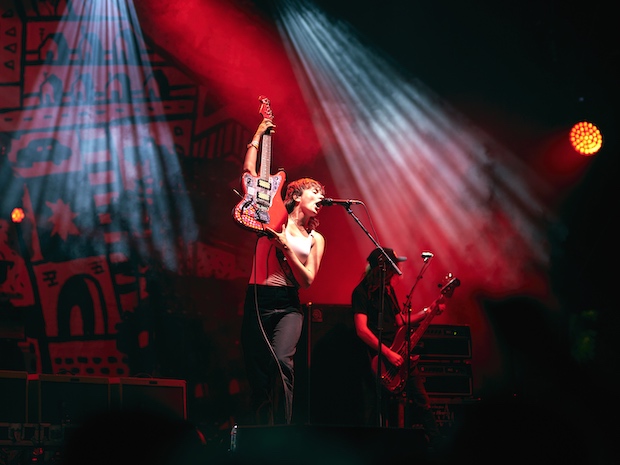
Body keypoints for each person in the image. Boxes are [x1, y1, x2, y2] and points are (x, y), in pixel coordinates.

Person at [240, 117, 326, 426]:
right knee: (258, 373)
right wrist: (259, 133)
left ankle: (285, 431)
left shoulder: (316, 239)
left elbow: (307, 280)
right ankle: (258, 435)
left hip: (289, 303)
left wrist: (286, 249)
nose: (320, 198)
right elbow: (250, 175)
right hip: (257, 299)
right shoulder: (271, 213)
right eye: (314, 192)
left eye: (321, 195)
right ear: (297, 196)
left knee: (282, 363)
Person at [351, 247, 441, 443]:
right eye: (395, 265)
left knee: (422, 402)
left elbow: (400, 321)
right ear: (384, 269)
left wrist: (428, 311)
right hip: (380, 360)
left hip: (401, 354)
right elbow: (362, 330)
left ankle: (436, 445)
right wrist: (388, 354)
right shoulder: (361, 293)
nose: (399, 269)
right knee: (376, 409)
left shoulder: (389, 291)